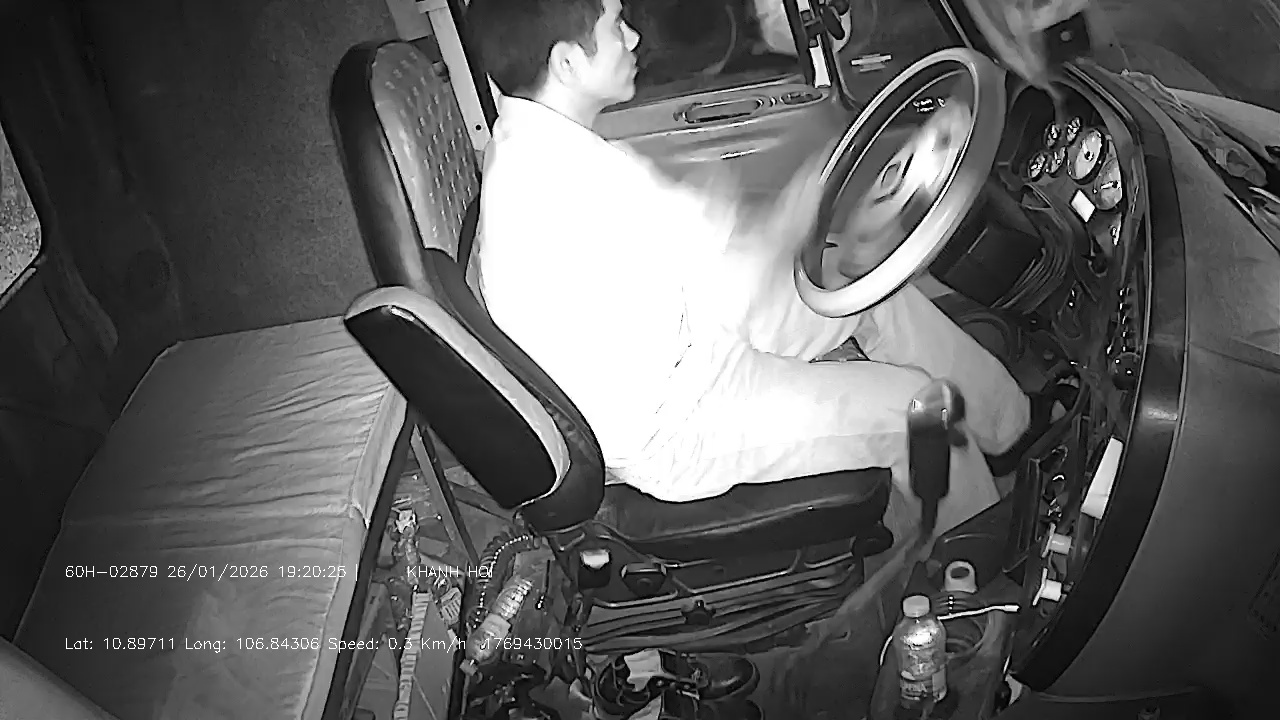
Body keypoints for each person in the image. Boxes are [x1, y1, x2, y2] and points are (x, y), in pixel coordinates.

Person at [465, 0, 1043, 538]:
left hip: (691, 342)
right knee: (917, 412)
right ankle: (982, 556)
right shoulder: (567, 182)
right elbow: (743, 281)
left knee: (870, 292)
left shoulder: (541, 146)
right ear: (567, 63)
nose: (634, 37)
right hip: (676, 424)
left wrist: (801, 213)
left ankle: (1011, 430)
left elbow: (704, 235)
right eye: (615, 27)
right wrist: (805, 210)